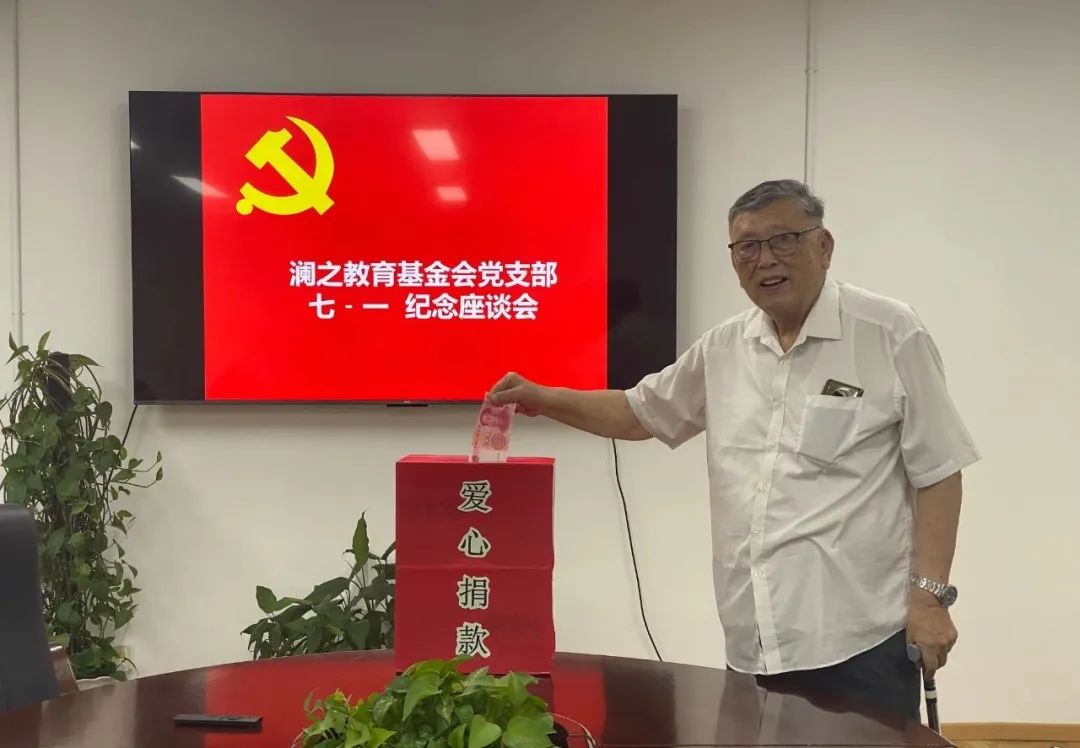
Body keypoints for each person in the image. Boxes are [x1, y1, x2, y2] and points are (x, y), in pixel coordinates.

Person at [487, 179, 980, 721]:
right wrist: (543, 398)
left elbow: (939, 470)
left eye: (784, 239)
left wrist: (929, 599)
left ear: (824, 245)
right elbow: (637, 413)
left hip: (860, 639)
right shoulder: (724, 348)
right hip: (752, 641)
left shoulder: (889, 332)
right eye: (747, 247)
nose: (765, 259)